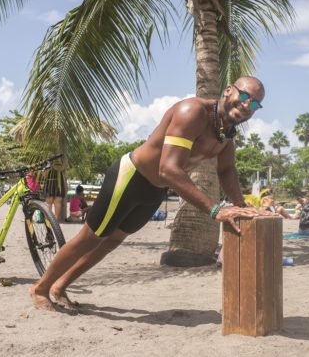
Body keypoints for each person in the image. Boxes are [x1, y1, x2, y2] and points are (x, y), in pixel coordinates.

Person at [29, 76, 275, 312]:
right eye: (244, 96)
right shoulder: (193, 112)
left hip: (155, 189)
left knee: (113, 241)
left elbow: (227, 169)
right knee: (91, 237)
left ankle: (60, 286)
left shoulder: (226, 132)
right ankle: (41, 289)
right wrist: (215, 210)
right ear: (229, 90)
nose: (246, 105)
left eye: (254, 103)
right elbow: (168, 169)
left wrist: (241, 204)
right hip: (131, 177)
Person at [42, 156, 67, 222]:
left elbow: (65, 172)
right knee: (49, 202)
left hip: (58, 183)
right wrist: (50, 166)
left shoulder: (60, 162)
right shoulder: (47, 162)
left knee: (57, 201)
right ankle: (48, 220)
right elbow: (44, 175)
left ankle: (55, 221)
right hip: (51, 183)